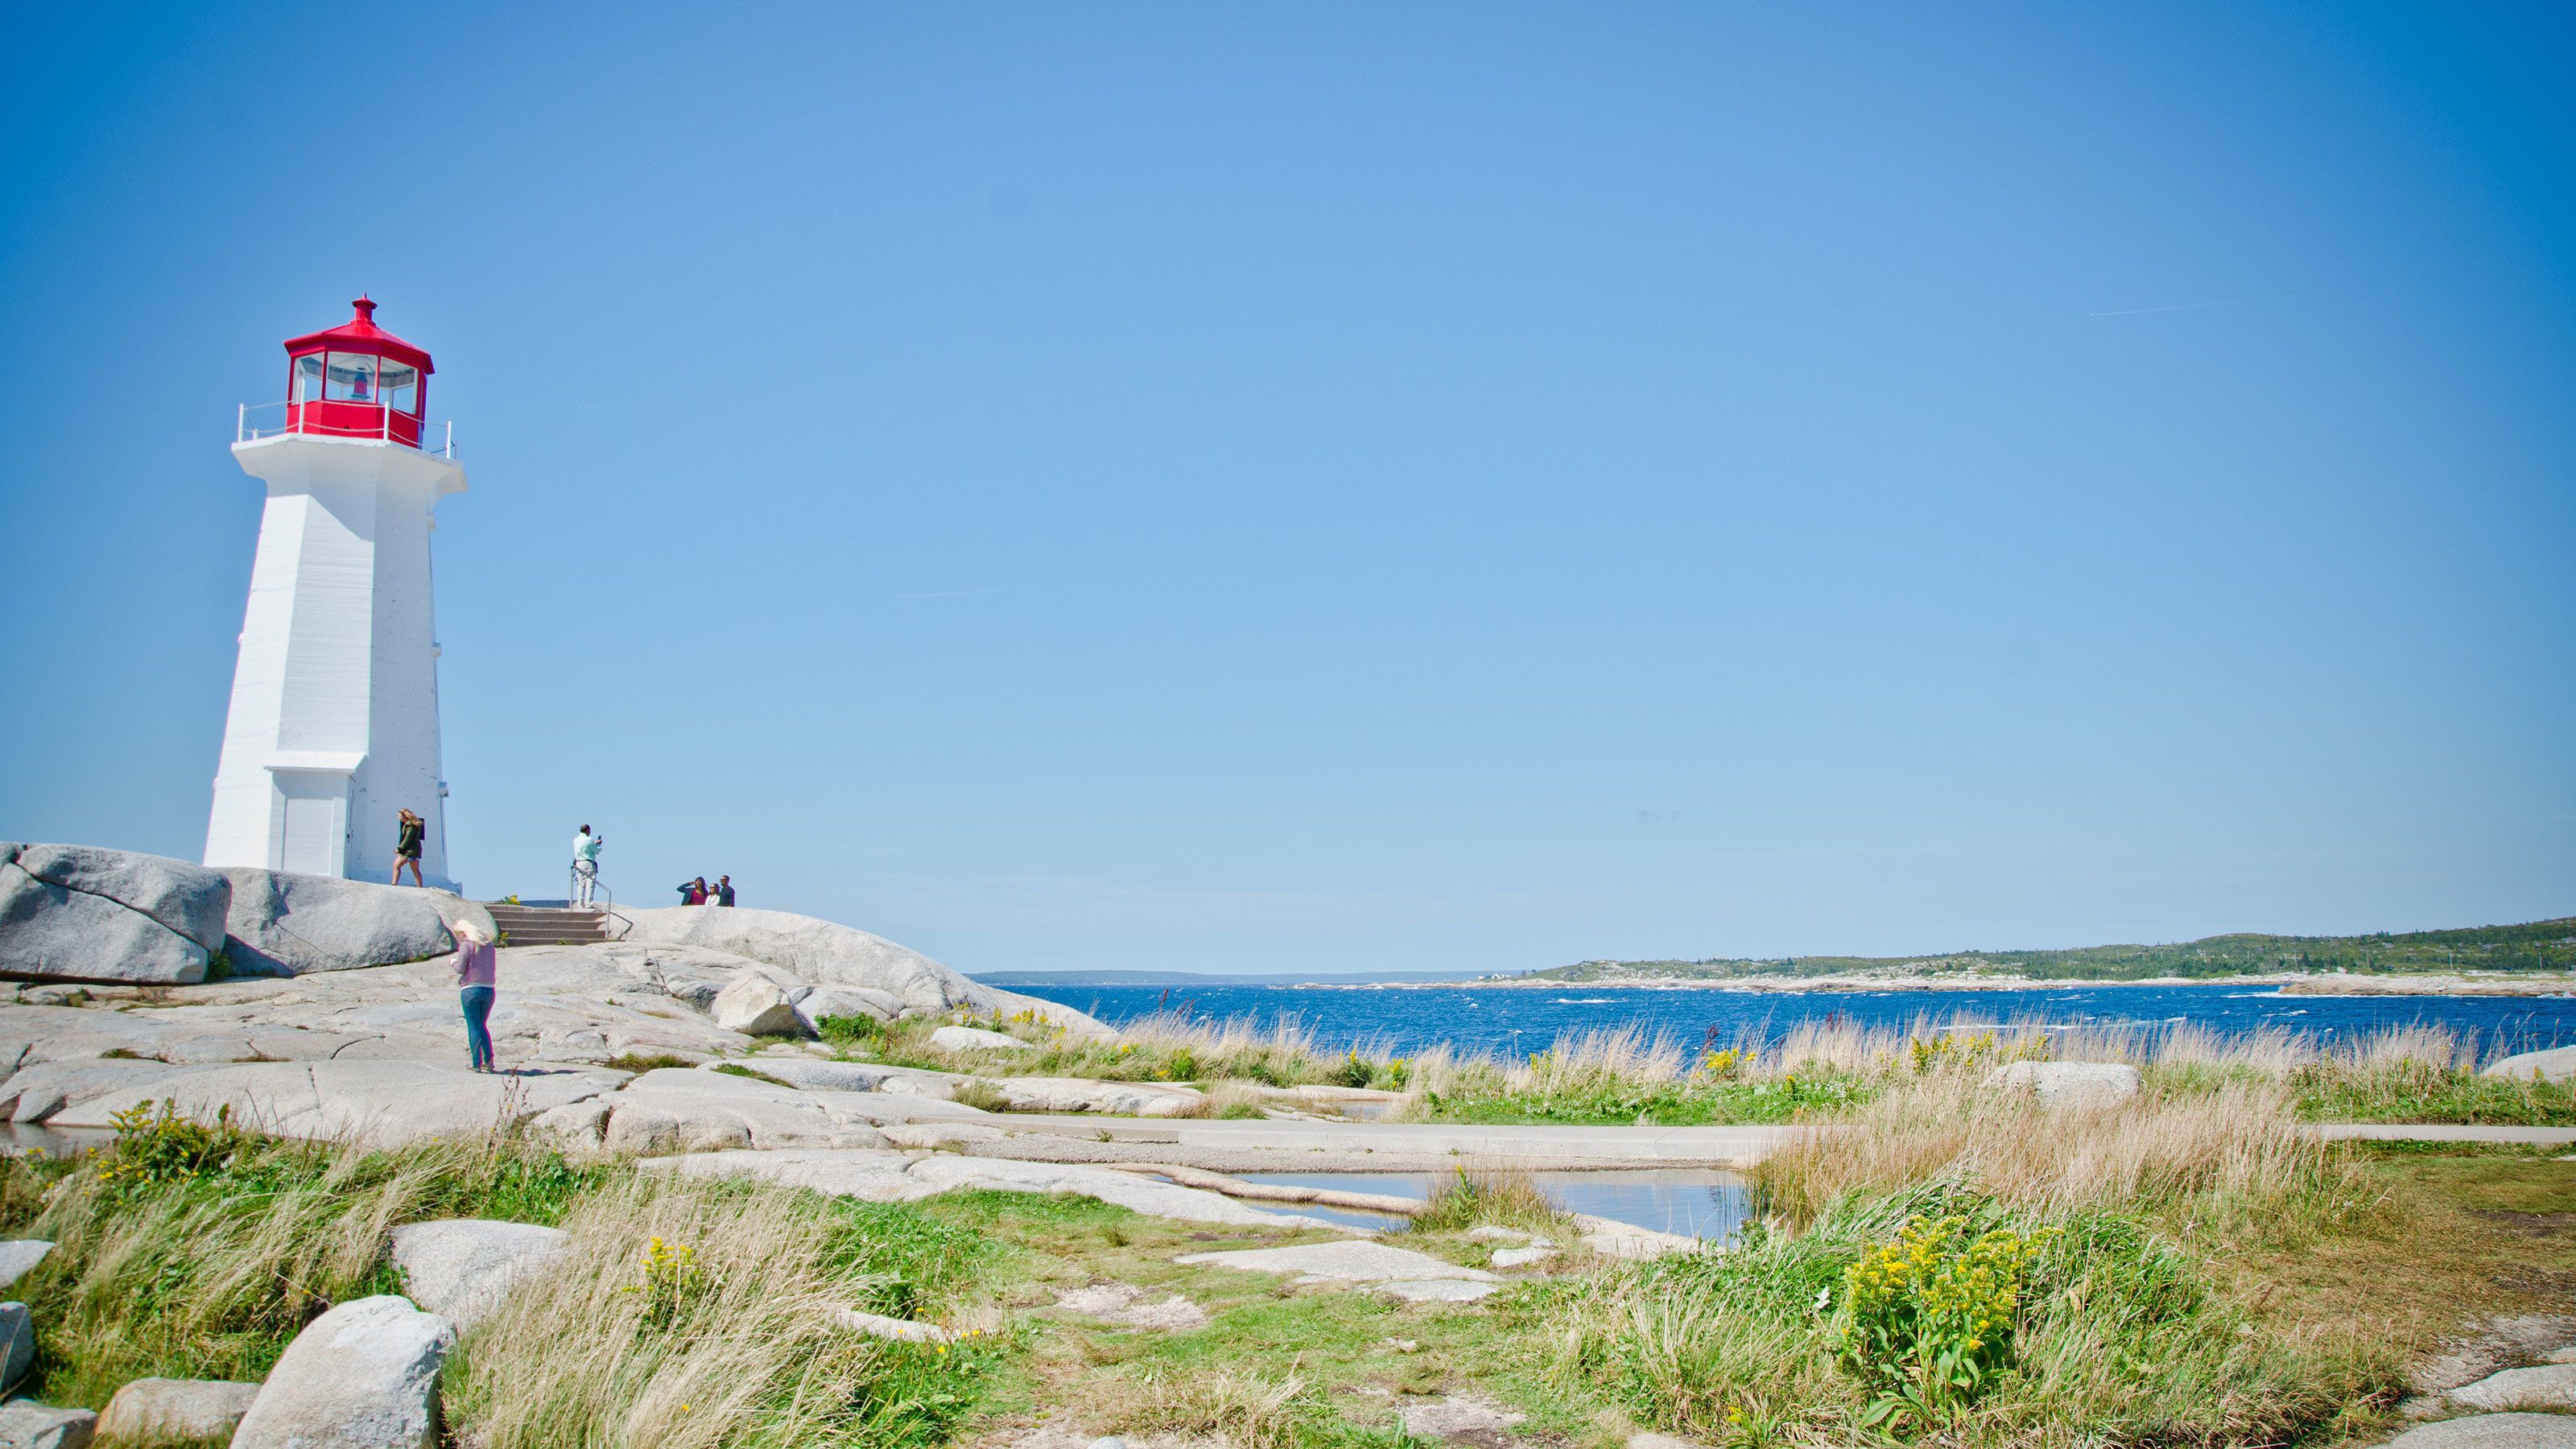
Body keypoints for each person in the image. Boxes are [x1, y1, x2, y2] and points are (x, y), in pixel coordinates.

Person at [448, 919, 499, 1073]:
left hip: (471, 989)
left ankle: (476, 1063)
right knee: (482, 1026)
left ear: (464, 932)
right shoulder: (489, 945)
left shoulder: (467, 945)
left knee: (474, 1026)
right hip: (489, 990)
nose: (459, 939)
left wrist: (452, 962)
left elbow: (460, 968)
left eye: (459, 936)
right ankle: (489, 1061)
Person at [571, 824, 605, 908]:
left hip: (578, 863)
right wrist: (598, 845)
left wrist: (594, 843)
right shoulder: (589, 840)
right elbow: (596, 851)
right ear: (588, 830)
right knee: (590, 883)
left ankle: (580, 904)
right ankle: (589, 904)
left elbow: (584, 847)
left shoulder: (576, 840)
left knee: (581, 884)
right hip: (588, 863)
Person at [390, 808, 426, 886]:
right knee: (416, 871)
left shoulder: (410, 826)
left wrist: (399, 849)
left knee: (396, 865)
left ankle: (394, 885)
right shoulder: (410, 825)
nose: (399, 818)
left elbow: (407, 839)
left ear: (405, 816)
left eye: (400, 816)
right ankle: (420, 888)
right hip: (415, 851)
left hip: (410, 851)